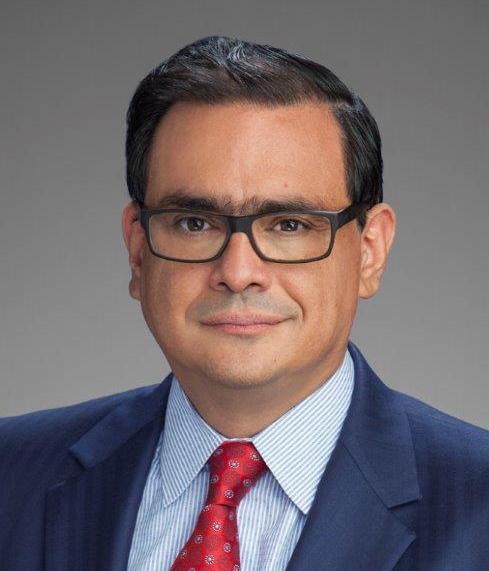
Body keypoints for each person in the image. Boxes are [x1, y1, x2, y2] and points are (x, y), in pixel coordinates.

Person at [1, 35, 488, 571]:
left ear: (370, 251)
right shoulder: (11, 474)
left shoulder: (476, 502)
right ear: (138, 252)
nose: (237, 273)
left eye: (289, 225)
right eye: (194, 223)